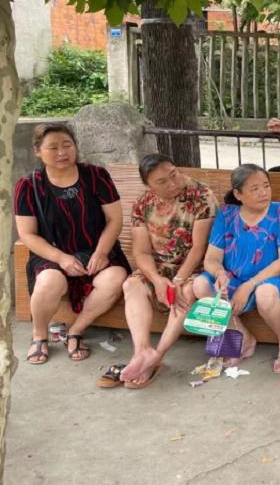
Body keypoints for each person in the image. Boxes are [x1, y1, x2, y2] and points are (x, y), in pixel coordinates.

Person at [14, 122, 130, 364]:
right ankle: (39, 335)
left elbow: (114, 219)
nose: (61, 152)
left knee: (115, 278)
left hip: (96, 250)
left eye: (67, 145)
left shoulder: (96, 176)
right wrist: (61, 258)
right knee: (48, 281)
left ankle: (76, 331)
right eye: (53, 147)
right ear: (38, 151)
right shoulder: (29, 186)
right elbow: (27, 234)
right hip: (52, 254)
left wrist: (102, 252)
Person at [118, 154, 218, 388]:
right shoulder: (143, 204)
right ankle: (142, 351)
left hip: (194, 267)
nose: (173, 183)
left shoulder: (201, 196)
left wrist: (179, 279)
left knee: (186, 292)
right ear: (148, 186)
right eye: (162, 181)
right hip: (159, 269)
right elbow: (141, 252)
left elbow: (199, 247)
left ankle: (157, 356)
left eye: (174, 174)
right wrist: (157, 280)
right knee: (131, 285)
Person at [192, 164, 280, 374]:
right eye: (255, 188)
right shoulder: (226, 214)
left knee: (265, 294)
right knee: (200, 285)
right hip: (235, 276)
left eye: (266, 186)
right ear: (238, 194)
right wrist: (220, 273)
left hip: (275, 275)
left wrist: (249, 285)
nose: (263, 193)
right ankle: (243, 336)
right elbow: (212, 258)